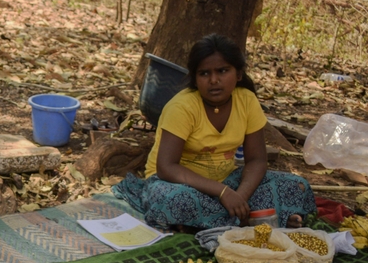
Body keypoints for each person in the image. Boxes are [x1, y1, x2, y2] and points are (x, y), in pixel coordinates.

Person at [114, 34, 315, 231]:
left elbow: (257, 160)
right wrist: (223, 193)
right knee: (176, 202)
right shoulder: (182, 107)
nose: (213, 80)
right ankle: (257, 219)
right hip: (175, 184)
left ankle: (221, 220)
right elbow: (166, 167)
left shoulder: (247, 101)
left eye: (222, 71)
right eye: (204, 73)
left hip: (227, 181)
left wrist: (239, 197)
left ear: (238, 74)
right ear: (195, 78)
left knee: (297, 185)